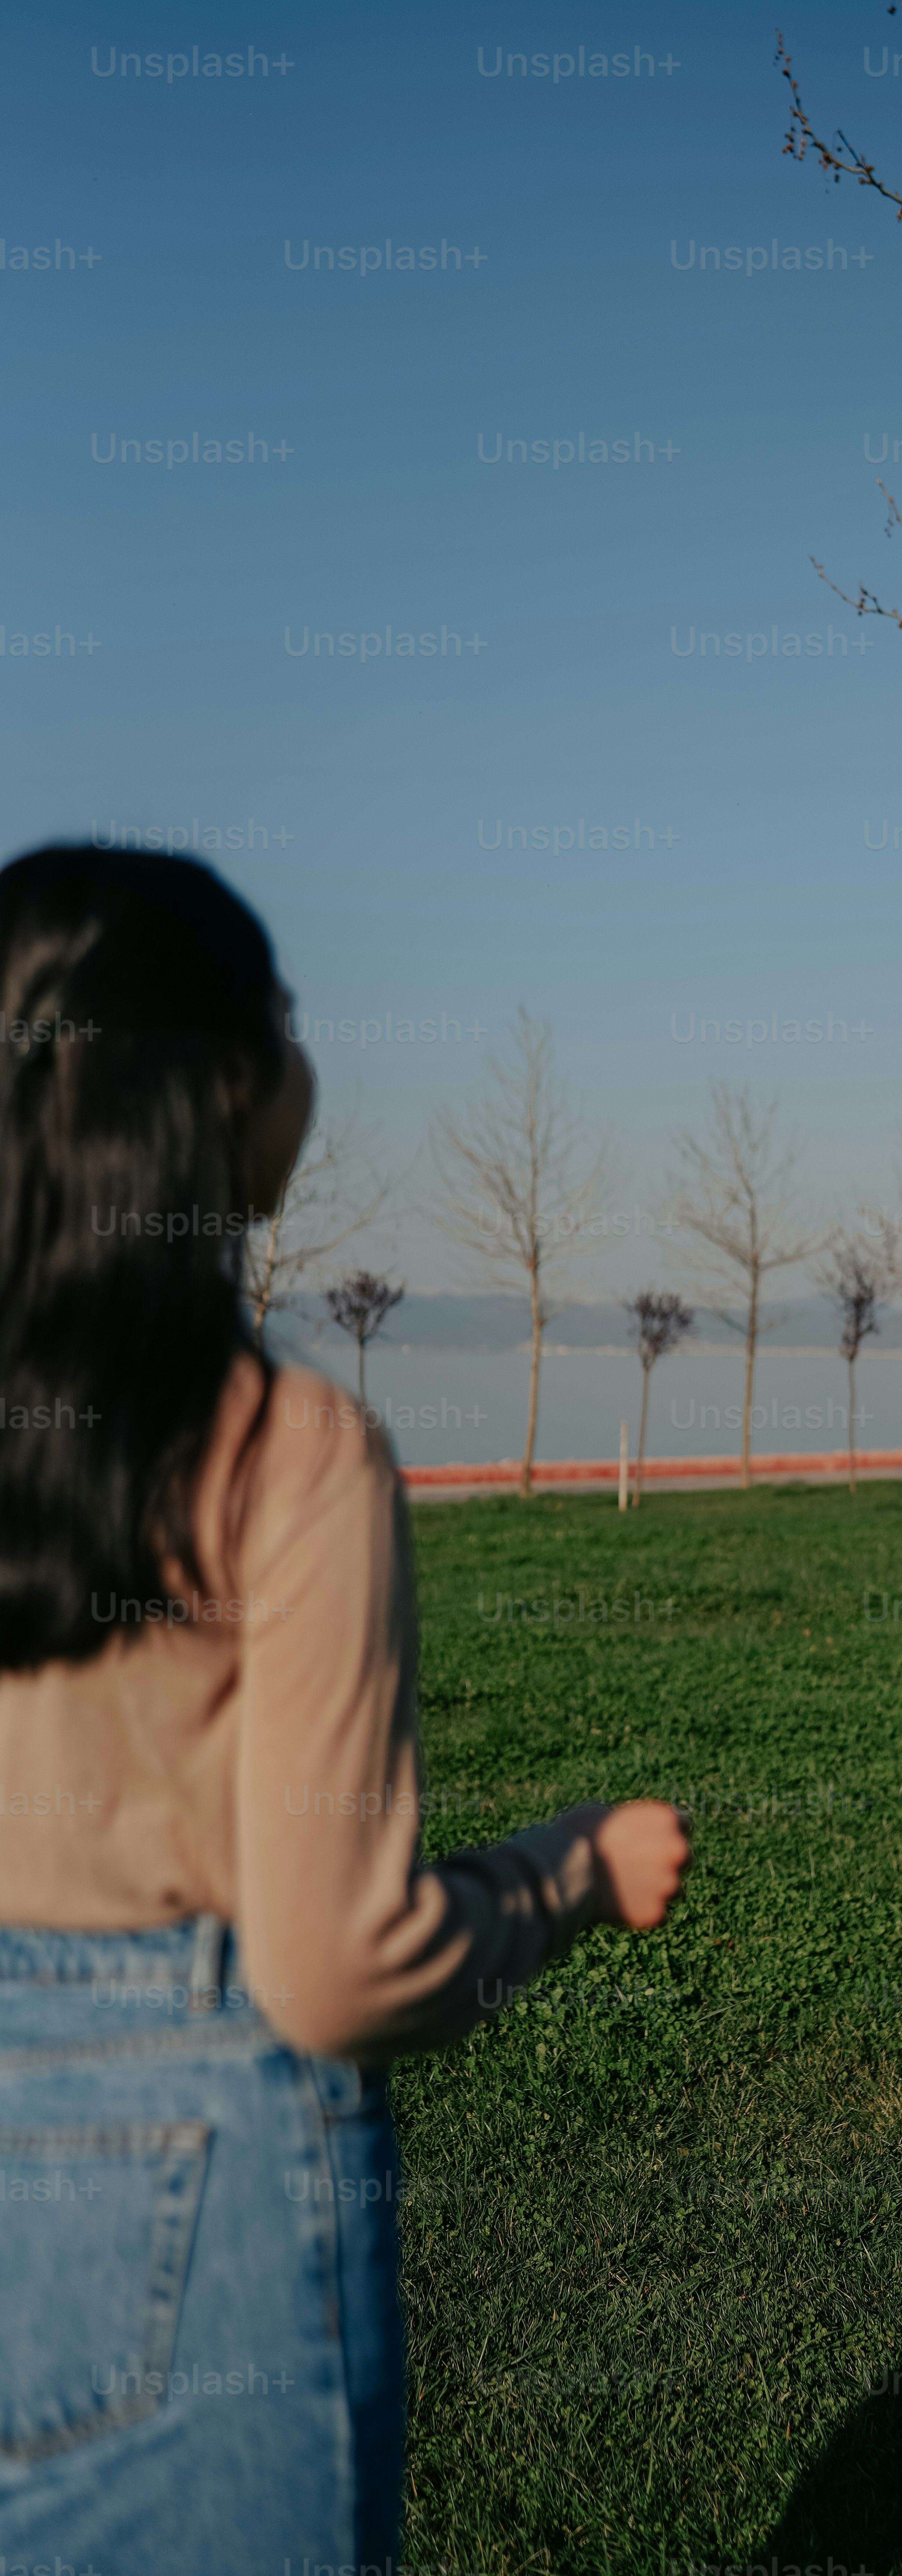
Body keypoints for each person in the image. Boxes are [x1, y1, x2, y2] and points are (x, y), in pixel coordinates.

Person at [0, 846, 690, 2571]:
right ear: (223, 1090)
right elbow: (329, 1966)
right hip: (198, 2162)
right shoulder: (284, 1453)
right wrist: (573, 1869)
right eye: (289, 1018)